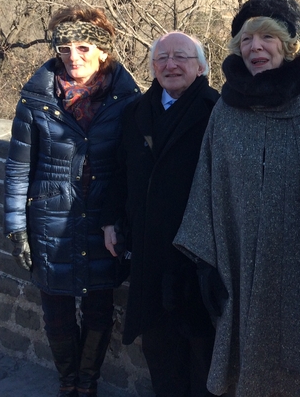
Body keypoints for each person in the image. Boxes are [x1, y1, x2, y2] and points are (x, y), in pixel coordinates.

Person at [173, 0, 300, 397]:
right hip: (241, 274)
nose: (255, 48)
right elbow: (208, 185)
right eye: (246, 40)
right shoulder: (226, 112)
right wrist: (206, 265)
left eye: (267, 38)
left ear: (289, 47)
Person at [4, 5, 140, 397]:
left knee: (99, 308)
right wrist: (15, 226)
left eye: (83, 47)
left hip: (104, 219)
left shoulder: (127, 100)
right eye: (64, 48)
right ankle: (68, 383)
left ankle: (87, 384)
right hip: (50, 220)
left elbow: (132, 168)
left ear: (104, 50)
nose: (73, 57)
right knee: (57, 311)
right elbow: (18, 167)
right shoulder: (36, 99)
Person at [100, 32, 218, 396]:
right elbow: (117, 171)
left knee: (203, 355)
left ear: (201, 67)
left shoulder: (218, 111)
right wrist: (109, 221)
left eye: (181, 57)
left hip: (198, 258)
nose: (170, 65)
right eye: (162, 58)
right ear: (152, 67)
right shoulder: (136, 111)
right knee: (159, 351)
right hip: (149, 254)